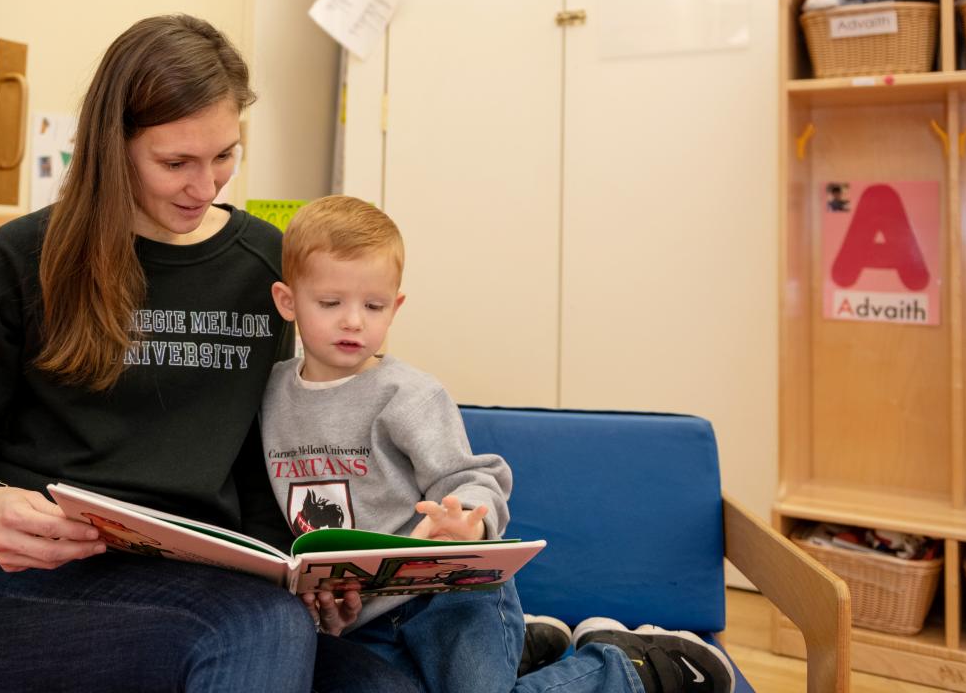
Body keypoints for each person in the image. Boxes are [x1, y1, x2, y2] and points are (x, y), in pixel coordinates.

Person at [0, 16, 419, 692]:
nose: (207, 187)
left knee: (385, 685)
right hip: (35, 593)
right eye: (176, 164)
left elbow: (263, 458)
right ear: (116, 149)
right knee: (259, 630)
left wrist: (308, 569)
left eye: (225, 155)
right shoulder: (23, 258)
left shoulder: (267, 266)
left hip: (215, 582)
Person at [262, 195, 737, 693]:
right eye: (331, 303)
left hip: (451, 596)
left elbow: (475, 478)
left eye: (373, 305)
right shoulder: (270, 397)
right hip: (362, 623)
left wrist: (468, 518)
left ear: (396, 306)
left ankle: (630, 668)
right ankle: (523, 649)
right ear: (288, 301)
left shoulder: (408, 395)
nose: (354, 321)